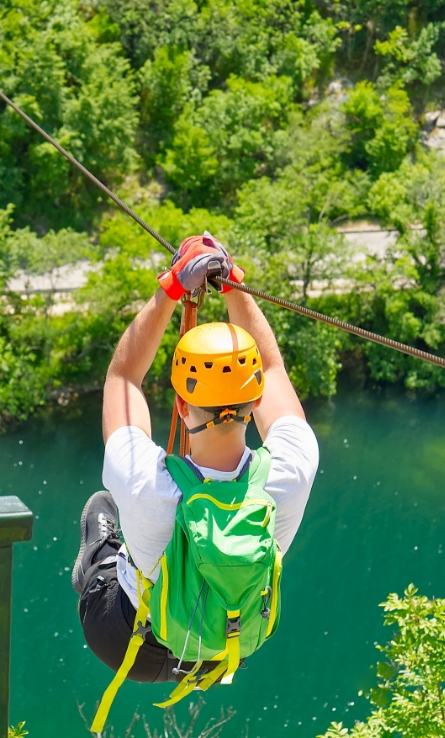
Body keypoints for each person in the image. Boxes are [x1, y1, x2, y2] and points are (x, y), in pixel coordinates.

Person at [72, 232, 319, 688]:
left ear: (182, 406)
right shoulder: (292, 468)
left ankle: (101, 560)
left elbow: (123, 377)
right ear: (256, 400)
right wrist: (234, 284)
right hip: (228, 647)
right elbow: (271, 368)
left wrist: (170, 288)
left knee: (104, 506)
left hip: (127, 643)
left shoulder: (146, 481)